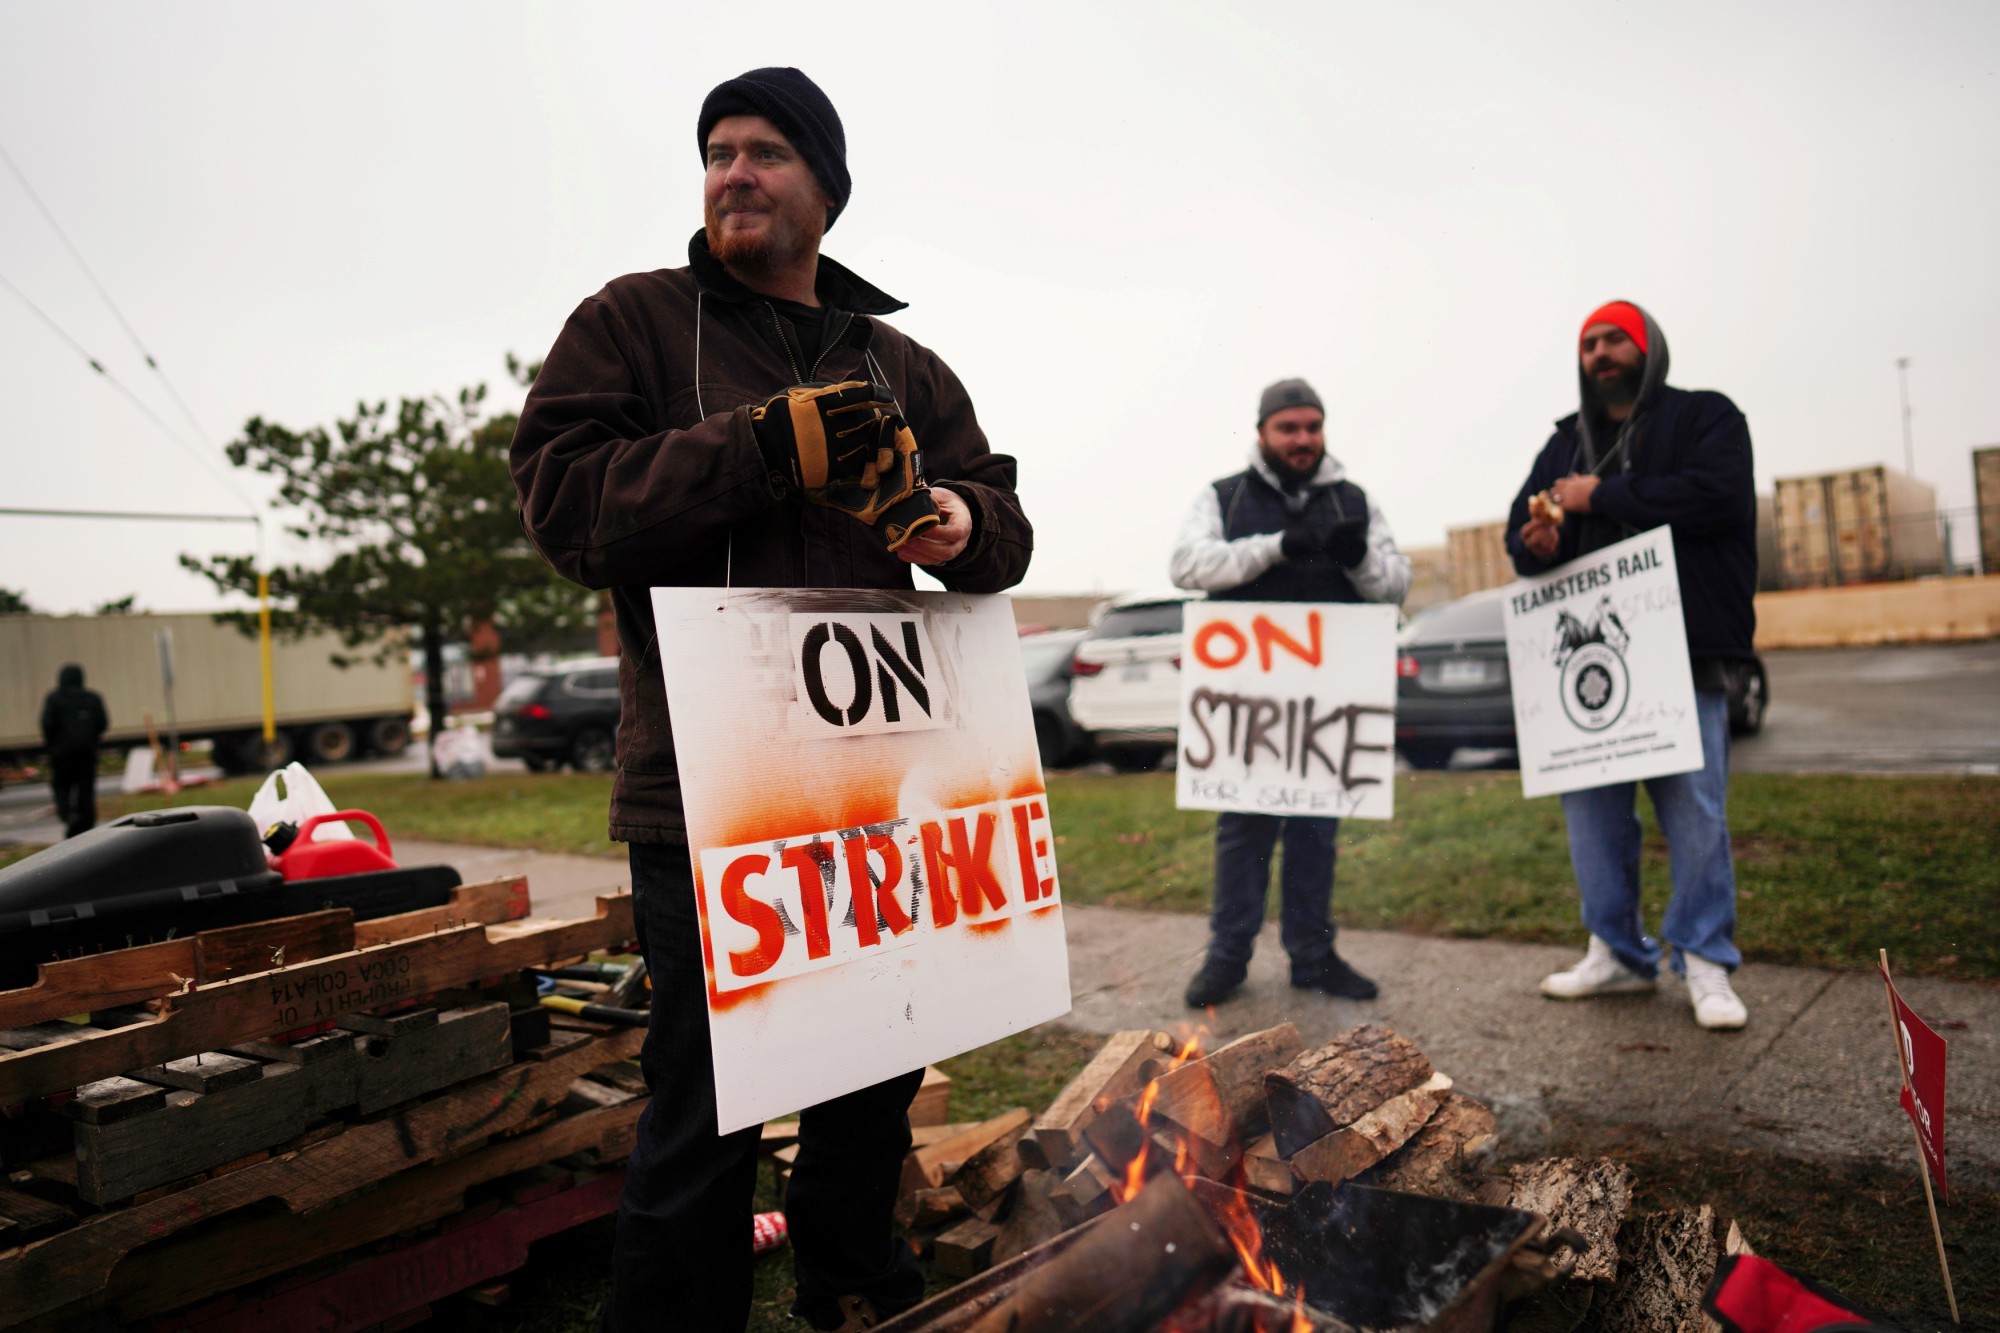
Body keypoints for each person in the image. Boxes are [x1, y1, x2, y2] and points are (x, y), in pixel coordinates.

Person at [510, 68, 1032, 1333]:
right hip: (705, 794)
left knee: (871, 1082)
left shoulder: (904, 364)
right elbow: (566, 507)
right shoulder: (630, 325)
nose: (733, 172)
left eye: (765, 153)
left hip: (879, 786)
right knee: (705, 1106)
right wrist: (760, 448)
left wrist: (958, 522)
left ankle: (854, 1295)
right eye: (716, 152)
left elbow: (1004, 530)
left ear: (828, 191)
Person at [1505, 299, 1756, 1031]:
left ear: (1649, 349)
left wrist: (1601, 494)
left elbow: (1717, 497)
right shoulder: (1562, 442)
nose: (1601, 353)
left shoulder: (1705, 417)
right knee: (1593, 818)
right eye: (1589, 343)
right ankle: (1616, 950)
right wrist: (1536, 544)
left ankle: (1705, 958)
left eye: (1616, 338)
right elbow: (1520, 532)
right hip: (1588, 662)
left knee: (1694, 812)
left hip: (1685, 648)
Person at [1170, 378, 1412, 1008]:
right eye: (1288, 428)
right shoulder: (1224, 496)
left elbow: (1394, 584)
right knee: (1243, 829)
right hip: (1249, 699)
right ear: (1263, 433)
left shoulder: (1354, 499)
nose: (1302, 439)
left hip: (1325, 704)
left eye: (1312, 426)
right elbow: (1188, 565)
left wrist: (1358, 558)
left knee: (1315, 831)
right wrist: (1276, 547)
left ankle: (1314, 956)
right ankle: (1228, 958)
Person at [40, 664, 107, 838]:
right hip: (87, 752)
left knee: (61, 786)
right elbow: (103, 723)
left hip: (61, 752)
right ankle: (86, 820)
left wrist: (52, 745)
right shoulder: (92, 698)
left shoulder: (54, 699)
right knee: (86, 787)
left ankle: (68, 814)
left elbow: (47, 724)